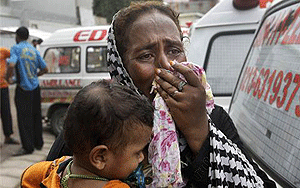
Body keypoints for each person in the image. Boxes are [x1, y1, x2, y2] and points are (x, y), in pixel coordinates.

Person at [47, 2, 276, 187]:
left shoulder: (212, 119)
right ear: (121, 68)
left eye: (175, 50)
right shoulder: (94, 124)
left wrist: (198, 132)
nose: (166, 65)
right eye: (146, 55)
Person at [21, 80, 154, 188]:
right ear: (100, 157)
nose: (142, 157)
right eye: (137, 152)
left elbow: (27, 175)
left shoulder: (50, 170)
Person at [6, 26, 48, 156]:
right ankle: (38, 143)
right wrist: (36, 76)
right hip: (35, 88)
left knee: (24, 119)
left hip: (23, 88)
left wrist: (9, 78)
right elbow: (45, 68)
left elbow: (12, 64)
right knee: (36, 116)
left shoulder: (16, 48)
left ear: (17, 37)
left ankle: (27, 147)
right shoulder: (33, 50)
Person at [0, 47, 20, 145]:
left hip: (3, 86)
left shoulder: (3, 51)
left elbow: (14, 55)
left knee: (6, 112)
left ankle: (8, 136)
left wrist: (10, 73)